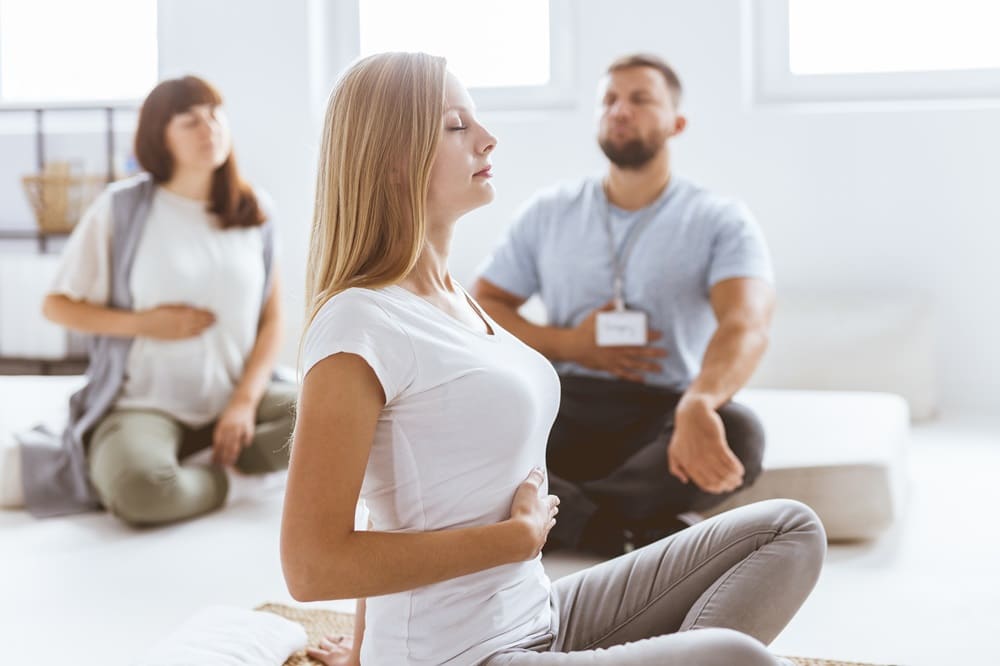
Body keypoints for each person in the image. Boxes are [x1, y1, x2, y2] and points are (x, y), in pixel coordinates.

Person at [282, 51, 824, 666]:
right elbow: (311, 566)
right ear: (394, 160)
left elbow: (390, 505)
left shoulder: (453, 298)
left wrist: (359, 647)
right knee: (735, 656)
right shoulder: (360, 321)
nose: (488, 138)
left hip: (539, 612)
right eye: (457, 126)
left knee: (788, 529)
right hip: (462, 653)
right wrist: (511, 541)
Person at [473, 53, 776, 555]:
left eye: (640, 99)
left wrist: (699, 402)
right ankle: (625, 530)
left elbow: (747, 324)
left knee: (741, 432)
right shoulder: (549, 212)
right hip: (561, 403)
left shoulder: (720, 219)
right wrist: (571, 344)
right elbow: (484, 303)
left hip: (662, 409)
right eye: (609, 100)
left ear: (676, 123)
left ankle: (566, 521)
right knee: (473, 417)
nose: (620, 110)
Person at [18, 75, 294, 524]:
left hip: (231, 400)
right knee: (141, 491)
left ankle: (210, 461)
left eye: (215, 115)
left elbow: (273, 319)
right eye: (190, 121)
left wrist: (244, 401)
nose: (210, 129)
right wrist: (145, 323)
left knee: (325, 417)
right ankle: (234, 481)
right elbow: (57, 305)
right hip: (145, 403)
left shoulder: (254, 210)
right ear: (158, 137)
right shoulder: (122, 208)